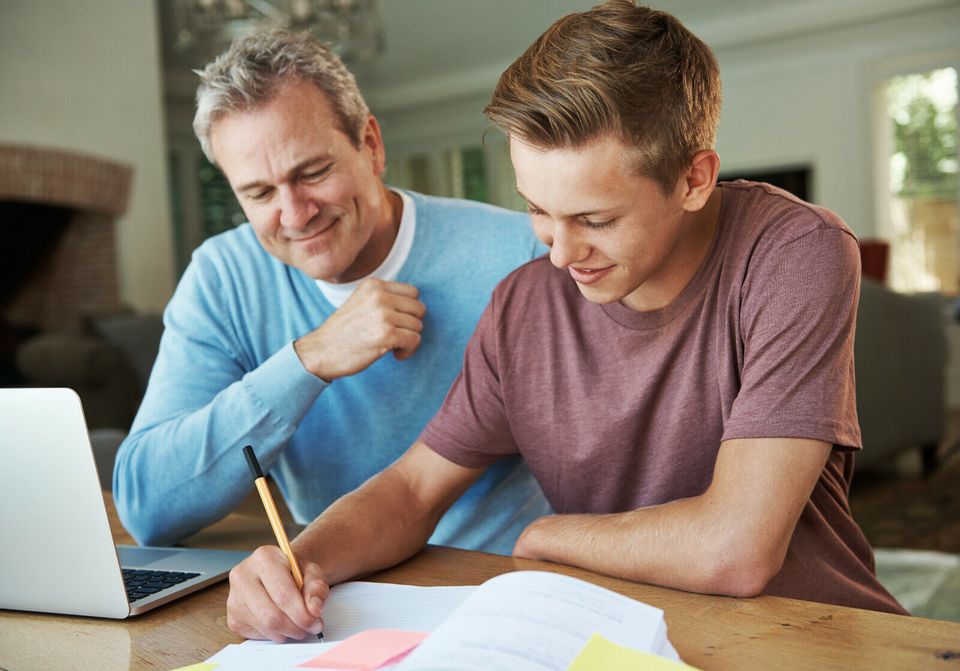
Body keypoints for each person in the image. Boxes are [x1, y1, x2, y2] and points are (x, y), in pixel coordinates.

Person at [225, 1, 906, 641]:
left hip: (813, 636)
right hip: (619, 637)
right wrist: (297, 563)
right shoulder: (524, 303)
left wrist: (551, 536)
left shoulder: (795, 251)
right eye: (538, 209)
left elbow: (737, 548)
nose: (559, 251)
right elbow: (412, 488)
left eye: (595, 219)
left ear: (694, 179)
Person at [112, 30, 552, 555]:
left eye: (313, 172)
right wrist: (308, 360)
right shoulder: (222, 278)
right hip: (333, 583)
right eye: (259, 192)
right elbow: (147, 509)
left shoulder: (520, 251)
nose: (295, 214)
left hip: (495, 579)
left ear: (370, 145)